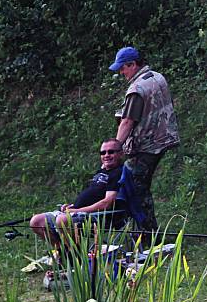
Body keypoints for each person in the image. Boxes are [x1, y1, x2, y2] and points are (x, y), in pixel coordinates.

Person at [109, 46, 180, 235]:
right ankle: (144, 230)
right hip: (163, 139)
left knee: (136, 188)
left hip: (147, 145)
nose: (121, 72)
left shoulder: (137, 89)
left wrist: (115, 148)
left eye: (123, 68)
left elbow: (127, 122)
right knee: (141, 184)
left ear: (133, 64)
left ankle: (147, 234)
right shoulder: (157, 77)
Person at [29, 139, 125, 249]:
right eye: (103, 153)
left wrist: (77, 211)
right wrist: (72, 207)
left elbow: (106, 203)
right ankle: (63, 251)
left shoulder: (118, 173)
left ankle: (76, 256)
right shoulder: (101, 172)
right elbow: (92, 195)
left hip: (99, 217)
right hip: (77, 212)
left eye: (111, 152)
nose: (106, 155)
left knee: (63, 220)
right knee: (36, 221)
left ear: (121, 154)